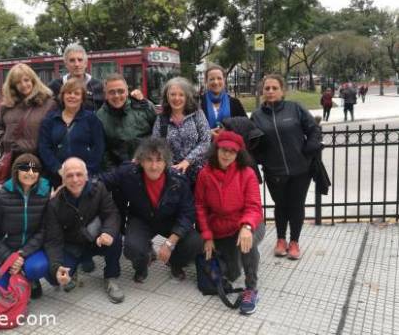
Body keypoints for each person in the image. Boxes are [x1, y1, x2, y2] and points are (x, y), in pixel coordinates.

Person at [99, 137, 203, 283]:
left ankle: (175, 263)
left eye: (159, 160)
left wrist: (169, 243)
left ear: (166, 162)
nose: (154, 166)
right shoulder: (129, 172)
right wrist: (75, 183)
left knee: (195, 242)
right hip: (141, 219)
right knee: (132, 247)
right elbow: (102, 181)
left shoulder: (178, 180)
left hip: (169, 220)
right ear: (140, 161)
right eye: (149, 160)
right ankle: (142, 265)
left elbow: (187, 213)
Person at [251, 74, 321, 260]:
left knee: (296, 206)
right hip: (274, 172)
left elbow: (313, 129)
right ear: (262, 91)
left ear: (282, 91)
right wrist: (260, 159)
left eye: (275, 88)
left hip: (300, 169)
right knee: (280, 206)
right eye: (267, 88)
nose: (271, 91)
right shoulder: (257, 116)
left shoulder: (295, 108)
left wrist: (309, 147)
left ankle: (294, 242)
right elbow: (253, 143)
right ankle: (281, 240)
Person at [195, 131, 265, 315]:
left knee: (246, 243)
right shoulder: (205, 174)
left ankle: (251, 289)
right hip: (221, 228)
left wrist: (247, 226)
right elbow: (200, 207)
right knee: (232, 274)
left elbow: (254, 206)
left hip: (247, 223)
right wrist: (207, 236)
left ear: (238, 154)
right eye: (223, 150)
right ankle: (236, 258)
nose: (226, 154)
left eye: (232, 151)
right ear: (216, 149)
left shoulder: (247, 173)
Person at [44, 157, 124, 303]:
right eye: (69, 175)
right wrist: (56, 268)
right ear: (62, 179)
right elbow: (53, 240)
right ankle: (72, 271)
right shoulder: (54, 204)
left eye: (79, 174)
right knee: (53, 278)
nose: (75, 180)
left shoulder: (98, 189)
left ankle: (111, 277)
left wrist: (108, 232)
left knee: (115, 239)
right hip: (73, 245)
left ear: (86, 176)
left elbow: (111, 213)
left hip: (96, 240)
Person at [0, 154, 51, 299]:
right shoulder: (2, 196)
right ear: (15, 171)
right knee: (0, 291)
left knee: (37, 267)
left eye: (35, 169)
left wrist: (22, 254)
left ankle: (30, 278)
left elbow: (44, 229)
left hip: (30, 250)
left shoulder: (44, 195)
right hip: (6, 248)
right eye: (25, 168)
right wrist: (8, 257)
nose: (30, 173)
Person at [38, 78, 105, 189]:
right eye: (68, 93)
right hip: (57, 177)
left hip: (85, 178)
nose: (72, 96)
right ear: (62, 96)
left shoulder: (91, 119)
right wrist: (58, 169)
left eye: (76, 93)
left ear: (82, 97)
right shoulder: (50, 120)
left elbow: (98, 147)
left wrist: (86, 172)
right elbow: (44, 147)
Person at [0, 63, 56, 166]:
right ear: (13, 86)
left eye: (26, 80)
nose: (23, 85)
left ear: (33, 80)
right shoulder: (7, 106)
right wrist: (4, 142)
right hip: (13, 162)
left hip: (40, 161)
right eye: (18, 82)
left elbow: (55, 132)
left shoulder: (49, 104)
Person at [152, 77, 211, 185]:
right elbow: (156, 145)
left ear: (187, 97)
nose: (176, 98)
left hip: (199, 174)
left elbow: (205, 141)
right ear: (167, 96)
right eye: (173, 94)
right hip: (173, 176)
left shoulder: (197, 114)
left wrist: (187, 161)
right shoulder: (161, 119)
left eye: (181, 95)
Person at [96, 73, 156, 168]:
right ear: (105, 94)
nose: (116, 96)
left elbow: (159, 136)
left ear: (127, 91)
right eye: (112, 92)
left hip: (148, 167)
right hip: (120, 172)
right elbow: (103, 152)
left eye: (121, 91)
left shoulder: (144, 107)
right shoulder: (100, 117)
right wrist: (115, 173)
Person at [48, 43, 104, 111]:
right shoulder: (55, 86)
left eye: (80, 60)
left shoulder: (98, 86)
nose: (77, 64)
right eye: (72, 60)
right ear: (66, 64)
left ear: (86, 63)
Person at [200, 64, 247, 138]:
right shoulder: (198, 103)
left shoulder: (235, 103)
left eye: (219, 78)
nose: (216, 82)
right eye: (212, 79)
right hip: (206, 148)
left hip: (230, 147)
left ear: (224, 80)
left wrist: (228, 131)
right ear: (206, 81)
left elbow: (245, 126)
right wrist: (208, 133)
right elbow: (192, 130)